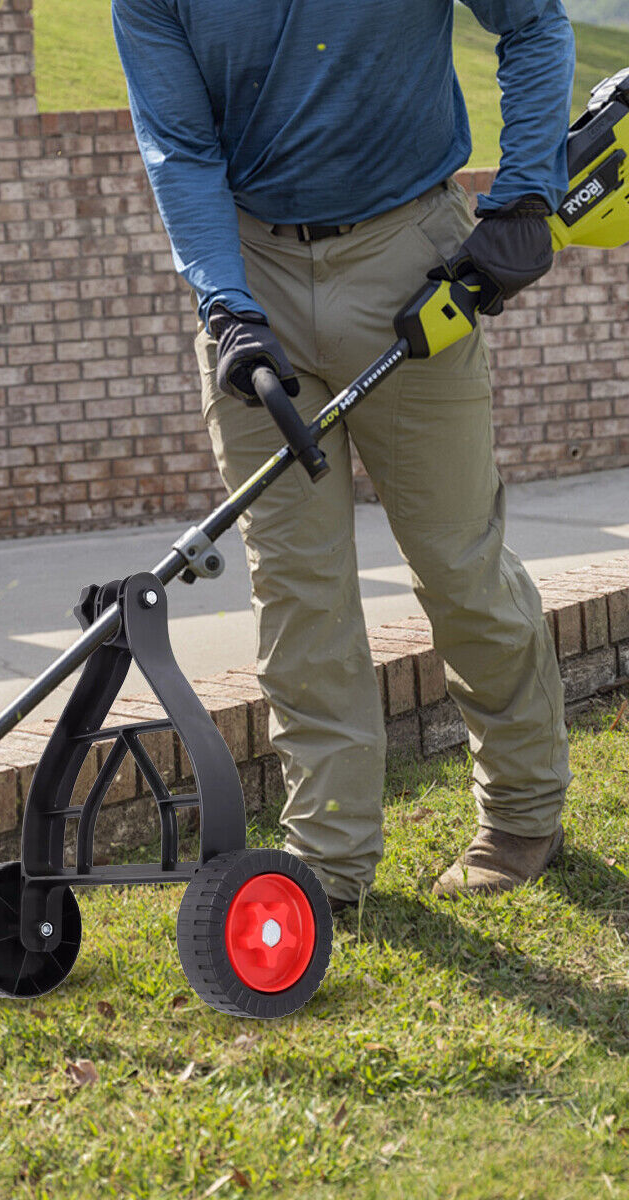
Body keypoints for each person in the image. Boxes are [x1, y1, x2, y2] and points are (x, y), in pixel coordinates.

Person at [110, 0, 575, 910]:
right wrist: (226, 307)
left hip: (410, 254)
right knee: (298, 586)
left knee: (455, 560)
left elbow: (536, 23)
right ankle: (328, 865)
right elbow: (182, 149)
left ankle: (523, 811)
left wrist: (524, 193)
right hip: (254, 277)